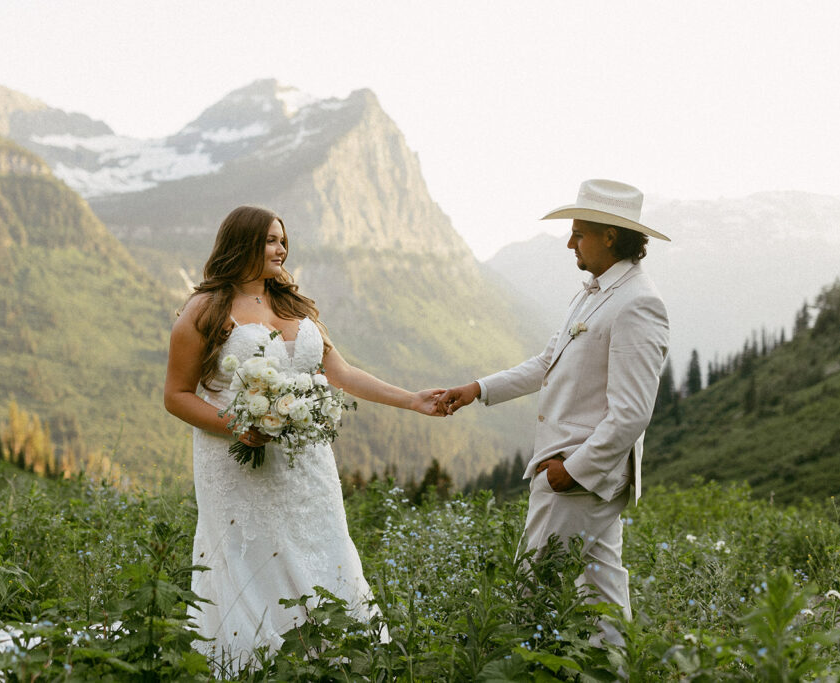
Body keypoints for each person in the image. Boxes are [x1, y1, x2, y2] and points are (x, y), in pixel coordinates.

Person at [164, 205, 445, 672]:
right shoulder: (205, 310)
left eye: (282, 239)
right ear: (242, 245)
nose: (281, 248)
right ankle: (255, 664)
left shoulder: (295, 305)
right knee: (254, 558)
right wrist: (237, 425)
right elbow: (176, 395)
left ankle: (338, 658)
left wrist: (412, 400)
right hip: (237, 463)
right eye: (270, 240)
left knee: (323, 547)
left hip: (307, 463)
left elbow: (342, 374)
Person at [438, 179, 670, 644]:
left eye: (578, 233)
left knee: (534, 587)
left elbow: (631, 414)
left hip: (578, 474)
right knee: (601, 588)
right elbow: (548, 362)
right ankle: (616, 670)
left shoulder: (638, 304)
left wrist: (573, 471)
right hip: (573, 471)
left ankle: (535, 668)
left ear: (609, 235)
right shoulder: (593, 293)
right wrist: (477, 389)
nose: (569, 243)